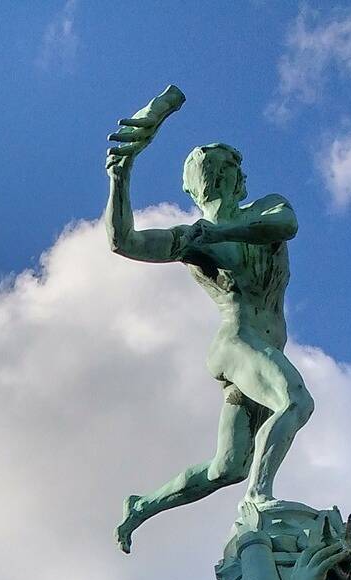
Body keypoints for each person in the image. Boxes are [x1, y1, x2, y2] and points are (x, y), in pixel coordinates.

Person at [103, 92, 313, 553]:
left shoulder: (263, 212)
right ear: (201, 185)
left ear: (238, 178)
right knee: (296, 402)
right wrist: (121, 177)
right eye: (213, 170)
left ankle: (141, 505)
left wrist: (219, 231)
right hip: (237, 343)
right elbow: (125, 241)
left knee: (228, 466)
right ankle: (257, 501)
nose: (221, 175)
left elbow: (286, 225)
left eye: (225, 167)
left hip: (264, 345)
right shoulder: (193, 239)